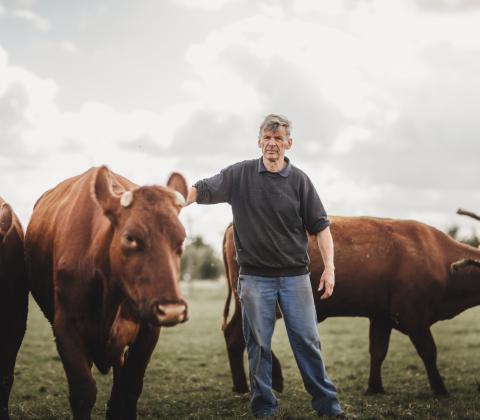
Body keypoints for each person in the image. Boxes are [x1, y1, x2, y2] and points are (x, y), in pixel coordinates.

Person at [186, 114, 344, 418]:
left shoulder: (299, 181)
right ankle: (264, 408)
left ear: (289, 143)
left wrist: (330, 268)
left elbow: (321, 227)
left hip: (296, 277)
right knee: (257, 345)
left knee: (307, 342)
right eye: (267, 138)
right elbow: (203, 188)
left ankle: (328, 405)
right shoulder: (240, 175)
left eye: (278, 138)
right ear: (259, 141)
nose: (272, 144)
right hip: (255, 279)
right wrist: (177, 200)